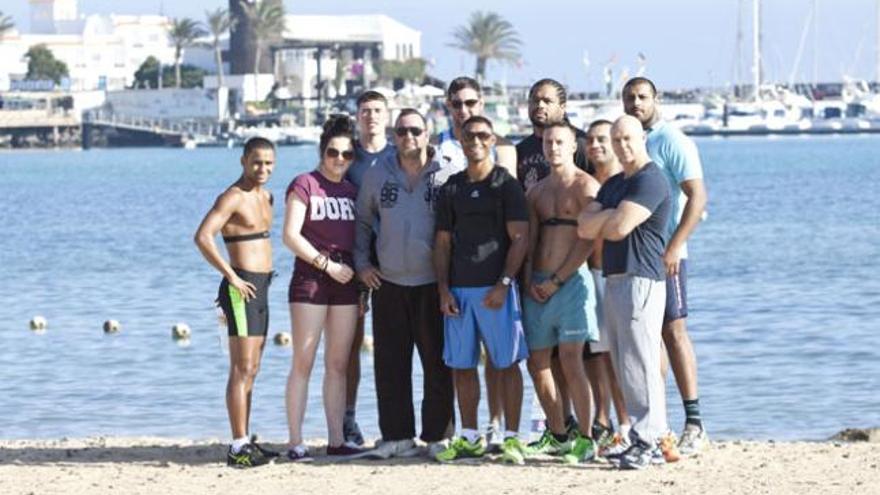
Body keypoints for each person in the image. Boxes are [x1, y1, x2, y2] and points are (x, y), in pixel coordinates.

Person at [354, 108, 456, 459]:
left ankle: (438, 436)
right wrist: (362, 265)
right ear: (393, 135)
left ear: (428, 133)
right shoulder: (376, 174)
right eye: (401, 131)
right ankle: (397, 436)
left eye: (415, 130)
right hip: (390, 283)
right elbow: (363, 223)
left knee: (438, 363)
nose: (408, 136)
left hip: (433, 283)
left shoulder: (447, 173)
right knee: (390, 363)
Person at [577, 115, 671, 470]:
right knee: (622, 362)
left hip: (641, 278)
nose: (621, 146)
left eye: (627, 138)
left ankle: (649, 440)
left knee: (640, 361)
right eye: (616, 140)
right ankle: (642, 436)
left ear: (641, 138)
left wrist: (609, 216)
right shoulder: (615, 184)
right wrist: (609, 215)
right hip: (614, 277)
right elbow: (585, 228)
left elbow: (617, 228)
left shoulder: (651, 180)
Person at [433, 116, 530, 464]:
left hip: (496, 291)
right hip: (459, 290)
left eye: (482, 135)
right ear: (459, 138)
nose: (474, 141)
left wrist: (504, 284)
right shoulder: (451, 188)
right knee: (462, 365)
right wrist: (443, 290)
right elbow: (442, 244)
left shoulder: (506, 185)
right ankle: (470, 436)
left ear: (492, 140)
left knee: (506, 364)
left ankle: (514, 438)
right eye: (468, 135)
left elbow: (520, 238)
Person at [622, 77, 709, 454]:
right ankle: (656, 424)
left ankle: (695, 424)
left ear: (656, 99)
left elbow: (697, 196)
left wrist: (676, 246)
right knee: (646, 340)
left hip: (667, 255)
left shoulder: (671, 140)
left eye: (642, 97)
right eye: (629, 98)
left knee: (674, 333)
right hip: (636, 257)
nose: (636, 103)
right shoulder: (627, 140)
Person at [194, 137, 279, 468]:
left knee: (253, 369)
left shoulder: (267, 196)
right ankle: (238, 446)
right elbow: (203, 237)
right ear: (243, 161)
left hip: (262, 288)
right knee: (241, 368)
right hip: (240, 288)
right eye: (257, 162)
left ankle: (246, 440)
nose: (263, 169)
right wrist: (231, 276)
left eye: (269, 163)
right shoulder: (232, 196)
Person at [282, 115, 363, 461]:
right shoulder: (304, 184)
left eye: (346, 155)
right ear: (321, 151)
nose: (339, 160)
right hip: (312, 278)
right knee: (304, 359)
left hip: (347, 280)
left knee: (338, 363)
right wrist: (326, 265)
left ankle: (335, 439)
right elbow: (290, 235)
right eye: (333, 153)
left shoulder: (352, 190)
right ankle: (296, 441)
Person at [521, 122, 601, 465]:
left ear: (573, 147)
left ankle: (585, 437)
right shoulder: (536, 192)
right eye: (549, 142)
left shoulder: (587, 186)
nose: (553, 147)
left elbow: (588, 239)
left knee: (571, 358)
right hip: (536, 283)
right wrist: (528, 280)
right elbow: (529, 239)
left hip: (570, 283)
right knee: (537, 362)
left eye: (560, 142)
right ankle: (557, 432)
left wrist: (557, 279)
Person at [341, 90, 397, 446]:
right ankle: (347, 418)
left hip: (394, 263)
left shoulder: (400, 155)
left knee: (392, 346)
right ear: (357, 116)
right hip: (354, 263)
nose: (371, 116)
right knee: (351, 345)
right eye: (365, 111)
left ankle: (394, 424)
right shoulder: (346, 157)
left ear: (387, 116)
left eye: (377, 111)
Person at [583, 119, 632, 453]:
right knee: (598, 355)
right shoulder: (590, 183)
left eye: (602, 139)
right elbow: (585, 229)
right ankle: (606, 421)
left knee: (623, 355)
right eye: (591, 140)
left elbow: (617, 226)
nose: (596, 145)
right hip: (588, 277)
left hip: (620, 275)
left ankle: (628, 423)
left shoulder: (625, 183)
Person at [516, 78, 590, 192]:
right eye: (535, 100)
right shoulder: (521, 149)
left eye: (547, 101)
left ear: (562, 107)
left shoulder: (580, 143)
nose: (540, 105)